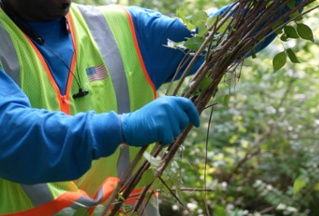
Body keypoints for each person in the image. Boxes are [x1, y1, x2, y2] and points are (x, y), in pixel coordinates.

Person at [0, 0, 301, 215]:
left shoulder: (122, 28)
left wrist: (279, 5)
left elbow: (218, 36)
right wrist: (122, 127)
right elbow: (11, 134)